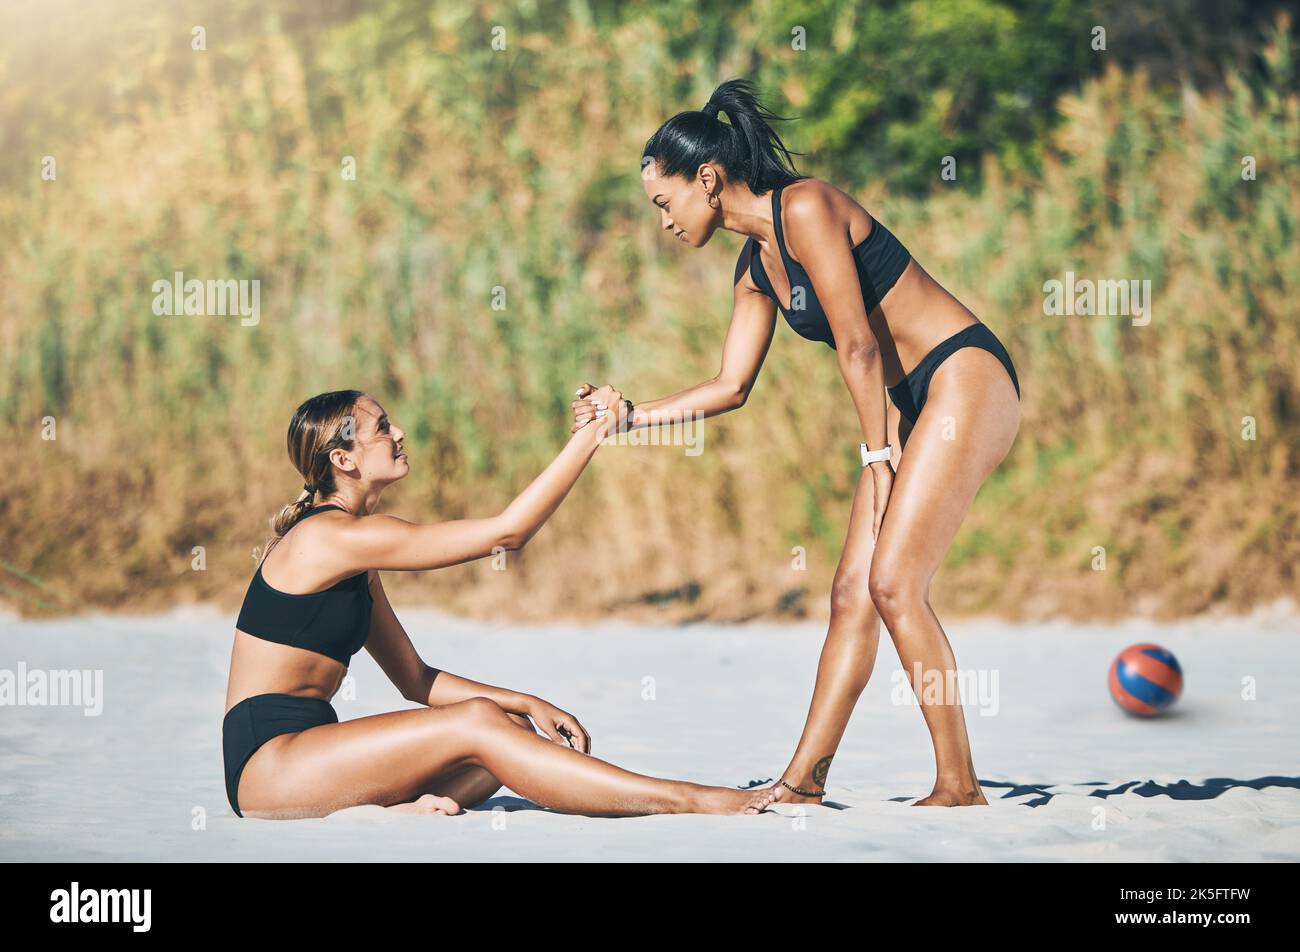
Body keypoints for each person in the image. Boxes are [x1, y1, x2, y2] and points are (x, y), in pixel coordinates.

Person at [572, 78, 1021, 811]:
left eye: (664, 202)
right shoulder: (754, 267)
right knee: (852, 593)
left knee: (894, 583)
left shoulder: (806, 208)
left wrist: (878, 458)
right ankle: (804, 780)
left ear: (708, 179)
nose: (664, 223)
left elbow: (857, 347)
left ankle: (958, 785)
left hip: (963, 376)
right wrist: (629, 414)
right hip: (905, 405)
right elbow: (729, 386)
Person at [223, 388, 756, 818]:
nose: (399, 432)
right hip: (269, 766)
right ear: (343, 459)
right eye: (382, 428)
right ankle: (684, 798)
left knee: (505, 725)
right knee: (479, 722)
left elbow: (414, 678)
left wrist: (525, 702)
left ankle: (436, 805)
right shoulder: (332, 539)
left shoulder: (353, 551)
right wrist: (594, 435)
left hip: (308, 753)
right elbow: (510, 532)